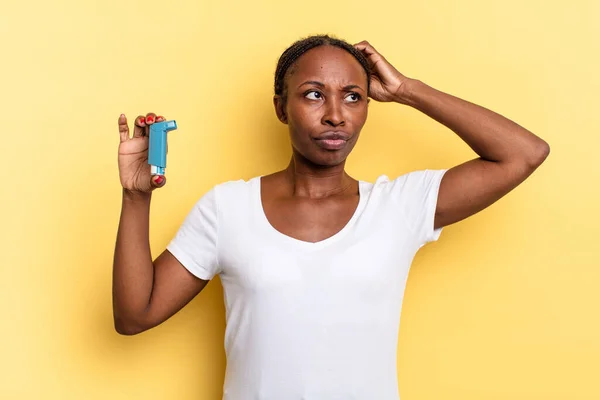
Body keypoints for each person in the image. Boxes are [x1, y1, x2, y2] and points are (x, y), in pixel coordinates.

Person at [113, 34, 549, 399]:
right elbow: (135, 315)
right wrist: (136, 198)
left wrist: (406, 90)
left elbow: (523, 154)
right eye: (314, 94)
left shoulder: (397, 206)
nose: (336, 115)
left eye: (353, 97)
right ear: (281, 108)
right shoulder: (227, 208)